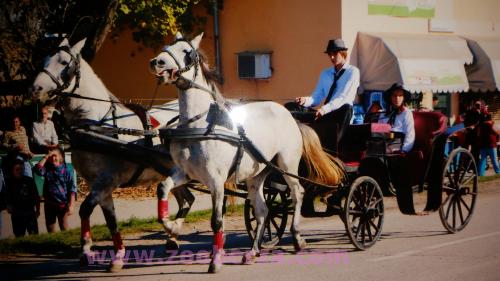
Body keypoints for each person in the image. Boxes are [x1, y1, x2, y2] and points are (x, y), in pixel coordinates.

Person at [295, 38, 360, 152]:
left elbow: (343, 98)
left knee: (346, 107)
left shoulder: (353, 72)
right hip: (325, 113)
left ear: (343, 53)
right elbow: (317, 97)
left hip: (340, 114)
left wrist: (324, 110)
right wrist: (305, 100)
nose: (332, 58)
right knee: (291, 107)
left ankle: (330, 150)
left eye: (335, 54)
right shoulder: (325, 73)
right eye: (330, 54)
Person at [34, 147, 76, 232]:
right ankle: (54, 245)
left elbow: (72, 189)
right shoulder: (47, 169)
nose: (53, 158)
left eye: (55, 155)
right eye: (51, 156)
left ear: (61, 157)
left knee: (64, 229)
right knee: (50, 229)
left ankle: (65, 245)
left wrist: (72, 205)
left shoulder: (66, 171)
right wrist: (46, 157)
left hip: (62, 206)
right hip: (49, 205)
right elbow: (37, 170)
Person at [5, 159, 40, 237]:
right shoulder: (9, 182)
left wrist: (38, 210)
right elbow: (7, 196)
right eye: (17, 169)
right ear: (12, 170)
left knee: (34, 236)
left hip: (30, 213)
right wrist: (8, 205)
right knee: (19, 237)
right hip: (17, 215)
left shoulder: (29, 180)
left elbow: (36, 196)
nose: (20, 171)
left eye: (22, 169)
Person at [378, 83, 415, 153]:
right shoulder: (383, 113)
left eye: (400, 95)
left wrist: (404, 150)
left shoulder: (406, 113)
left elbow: (410, 135)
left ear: (403, 98)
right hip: (384, 145)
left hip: (398, 146)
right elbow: (378, 133)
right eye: (394, 95)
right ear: (390, 97)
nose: (397, 98)